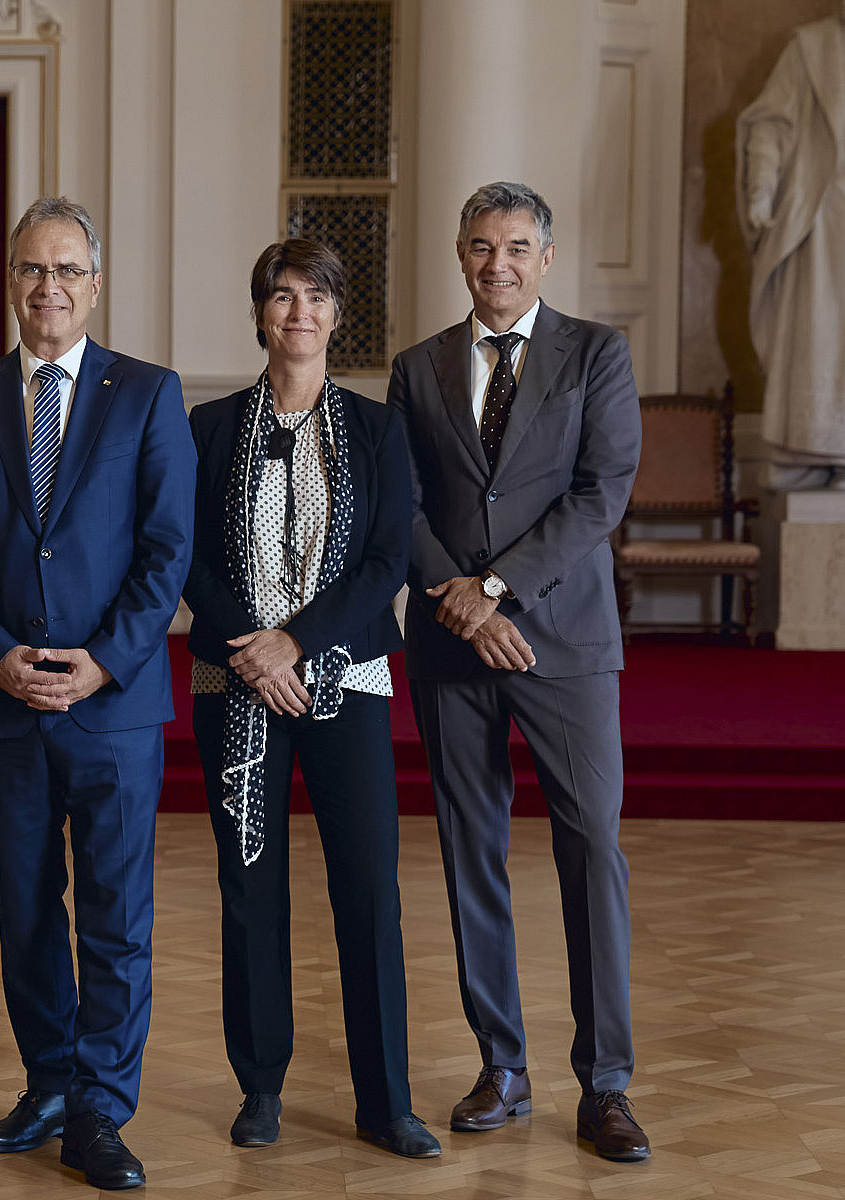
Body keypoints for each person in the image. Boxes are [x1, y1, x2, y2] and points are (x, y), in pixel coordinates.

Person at [0, 196, 195, 1191]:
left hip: (112, 704)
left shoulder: (147, 395)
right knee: (26, 909)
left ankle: (100, 1111)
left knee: (116, 914)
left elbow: (167, 552)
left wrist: (104, 660)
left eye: (67, 270)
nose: (49, 288)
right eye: (33, 270)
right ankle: (44, 1084)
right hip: (2, 701)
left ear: (95, 282)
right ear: (12, 282)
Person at [387, 181, 648, 1162]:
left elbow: (600, 494)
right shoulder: (417, 369)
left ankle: (607, 1085)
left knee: (591, 850)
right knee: (470, 855)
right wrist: (458, 597)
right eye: (480, 246)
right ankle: (501, 1065)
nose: (497, 263)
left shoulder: (596, 355)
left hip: (562, 644)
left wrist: (496, 588)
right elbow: (398, 501)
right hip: (450, 646)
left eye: (516, 247)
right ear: (459, 256)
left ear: (546, 257)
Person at [184, 238, 437, 1159]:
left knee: (367, 890)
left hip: (347, 687)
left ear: (338, 314)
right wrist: (255, 654)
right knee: (249, 890)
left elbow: (385, 561)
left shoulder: (377, 431)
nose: (299, 312)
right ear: (260, 313)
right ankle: (259, 1087)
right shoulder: (206, 428)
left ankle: (386, 1102)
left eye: (316, 297)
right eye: (283, 296)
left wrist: (300, 640)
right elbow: (184, 556)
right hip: (236, 687)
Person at [737, 2, 845, 478]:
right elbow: (770, 126)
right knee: (817, 330)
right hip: (822, 215)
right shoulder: (813, 46)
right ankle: (817, 446)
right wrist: (761, 193)